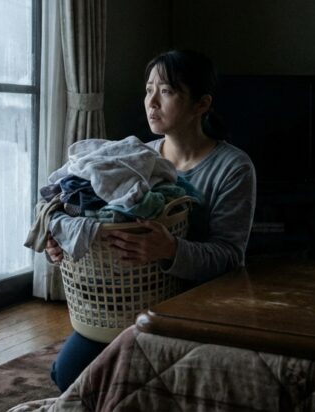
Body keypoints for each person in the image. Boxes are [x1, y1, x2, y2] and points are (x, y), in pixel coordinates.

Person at [45, 49, 257, 392]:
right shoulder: (135, 158)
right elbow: (100, 223)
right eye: (148, 90)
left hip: (195, 305)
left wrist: (170, 250)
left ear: (201, 104)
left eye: (167, 91)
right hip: (124, 303)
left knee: (144, 387)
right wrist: (62, 245)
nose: (151, 102)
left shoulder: (233, 167)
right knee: (67, 376)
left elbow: (230, 256)